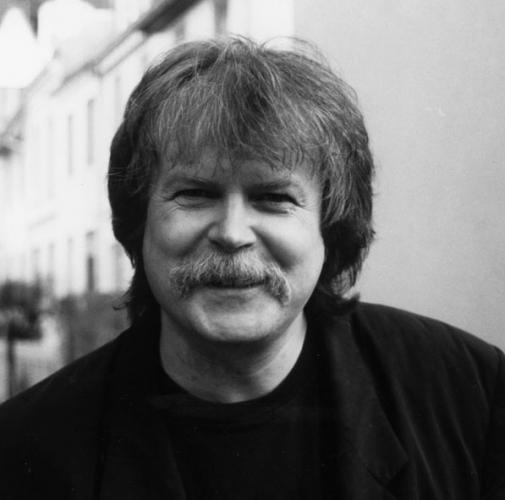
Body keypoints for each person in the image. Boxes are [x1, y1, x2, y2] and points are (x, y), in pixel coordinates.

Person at [0, 37, 504, 499]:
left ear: (331, 227)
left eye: (273, 197)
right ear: (139, 222)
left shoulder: (474, 396)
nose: (232, 232)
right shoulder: (24, 446)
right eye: (195, 193)